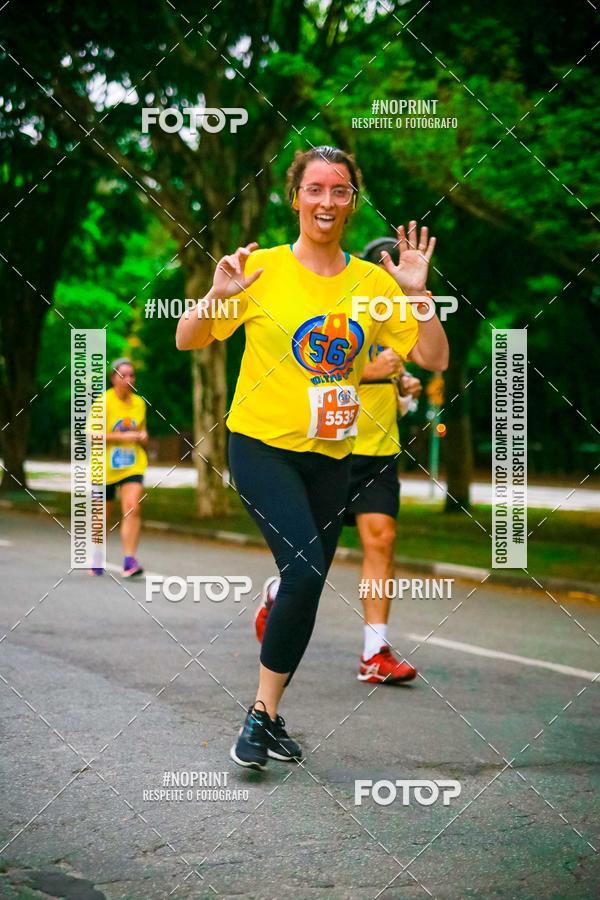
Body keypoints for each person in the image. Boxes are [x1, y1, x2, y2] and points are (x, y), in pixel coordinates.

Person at [176, 146, 448, 771]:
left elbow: (433, 359)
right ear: (295, 197)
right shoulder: (262, 269)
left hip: (332, 457)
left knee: (309, 583)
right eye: (316, 189)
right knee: (303, 572)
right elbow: (187, 338)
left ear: (353, 201)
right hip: (261, 445)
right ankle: (258, 717)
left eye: (341, 191)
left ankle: (269, 714)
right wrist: (216, 296)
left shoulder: (374, 283)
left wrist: (417, 293)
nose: (328, 201)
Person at [255, 235, 431, 685]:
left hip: (379, 449)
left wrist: (404, 386)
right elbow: (320, 367)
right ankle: (279, 593)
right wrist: (375, 372)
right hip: (330, 448)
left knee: (382, 539)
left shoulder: (397, 314)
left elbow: (425, 359)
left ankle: (375, 650)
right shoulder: (338, 312)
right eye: (384, 272)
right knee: (313, 563)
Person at [89, 358, 147, 578]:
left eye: (132, 375)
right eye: (124, 375)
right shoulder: (103, 403)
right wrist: (121, 436)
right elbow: (92, 436)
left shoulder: (139, 403)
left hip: (132, 464)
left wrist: (142, 437)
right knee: (101, 516)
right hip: (103, 467)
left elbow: (143, 433)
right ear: (113, 378)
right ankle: (96, 553)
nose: (129, 379)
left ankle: (129, 561)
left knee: (133, 506)